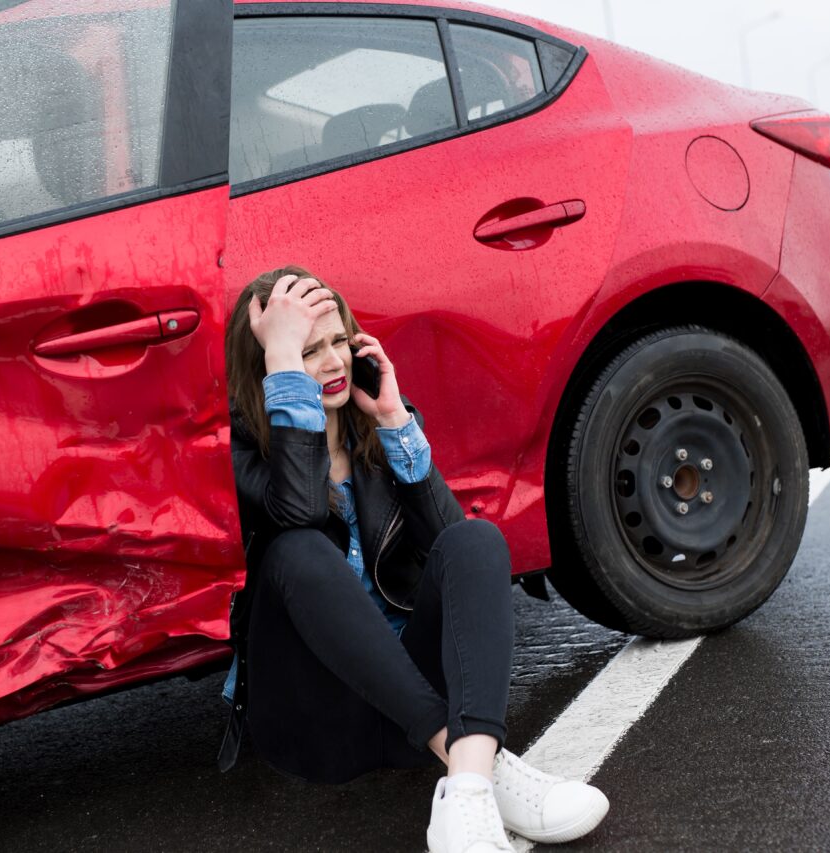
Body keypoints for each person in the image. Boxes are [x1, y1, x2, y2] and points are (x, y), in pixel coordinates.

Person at [218, 265, 609, 851]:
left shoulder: (380, 430)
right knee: (296, 550)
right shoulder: (238, 453)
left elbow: (460, 563)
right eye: (304, 351)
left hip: (410, 716)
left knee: (478, 539)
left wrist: (397, 423)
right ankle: (486, 768)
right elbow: (297, 512)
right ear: (270, 368)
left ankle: (469, 785)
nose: (331, 365)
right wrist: (281, 359)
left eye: (336, 343)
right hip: (321, 724)